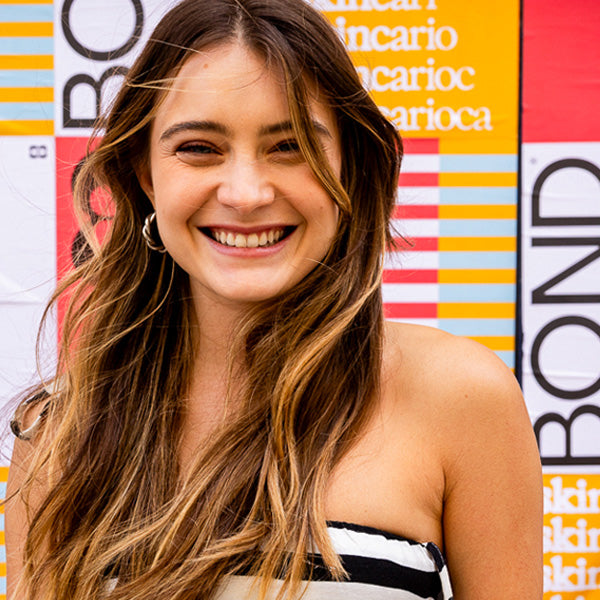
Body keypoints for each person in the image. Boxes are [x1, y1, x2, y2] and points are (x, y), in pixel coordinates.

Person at [5, 0, 543, 598]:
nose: (245, 193)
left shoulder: (460, 398)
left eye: (290, 146)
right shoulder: (61, 433)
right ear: (145, 175)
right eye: (199, 148)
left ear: (350, 168)